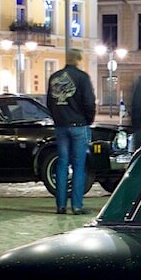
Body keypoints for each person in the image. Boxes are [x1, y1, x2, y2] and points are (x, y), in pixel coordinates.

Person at [46, 48, 97, 215]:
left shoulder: (54, 77)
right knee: (79, 166)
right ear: (78, 59)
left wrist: (57, 119)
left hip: (61, 126)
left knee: (62, 164)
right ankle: (77, 205)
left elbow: (49, 102)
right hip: (78, 125)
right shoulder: (82, 78)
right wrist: (88, 120)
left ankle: (60, 205)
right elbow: (89, 102)